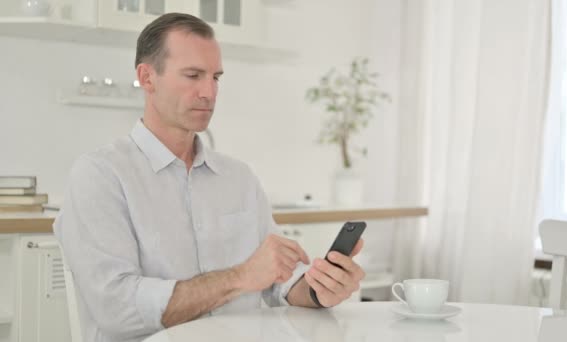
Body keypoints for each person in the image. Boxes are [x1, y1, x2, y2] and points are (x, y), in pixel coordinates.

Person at [53, 12, 365, 342]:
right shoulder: (101, 176)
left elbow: (279, 281)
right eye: (192, 75)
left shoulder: (239, 178)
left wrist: (318, 289)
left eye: (215, 77)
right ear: (147, 77)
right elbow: (116, 309)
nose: (209, 92)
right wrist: (241, 277)